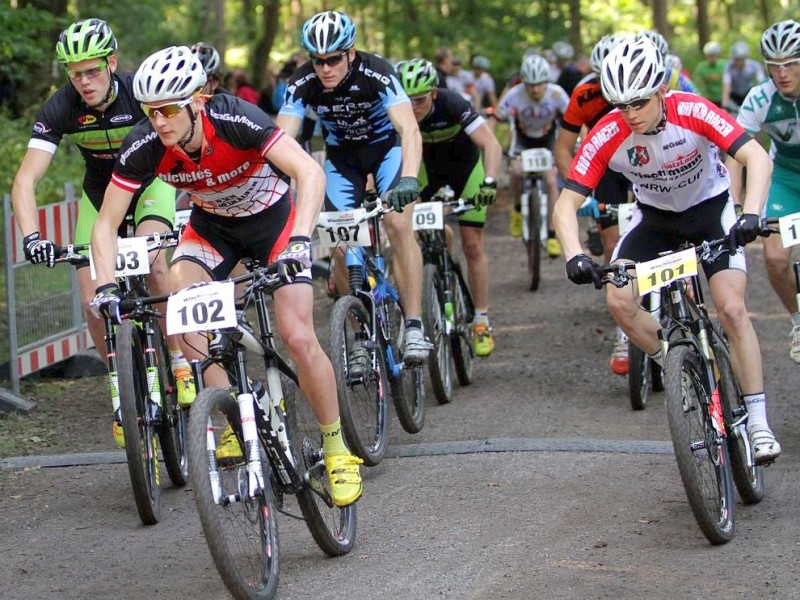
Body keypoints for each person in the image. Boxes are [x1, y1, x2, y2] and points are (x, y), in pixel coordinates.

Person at [89, 45, 363, 507]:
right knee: (182, 303)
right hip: (212, 230)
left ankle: (336, 448)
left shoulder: (237, 118)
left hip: (273, 225)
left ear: (198, 100)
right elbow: (105, 223)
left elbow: (309, 173)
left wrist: (299, 239)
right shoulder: (146, 144)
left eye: (170, 110)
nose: (159, 122)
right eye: (150, 112)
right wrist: (104, 286)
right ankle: (231, 408)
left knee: (296, 336)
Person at [553, 37, 781, 464]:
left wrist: (749, 212)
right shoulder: (609, 131)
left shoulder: (693, 110)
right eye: (621, 105)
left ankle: (758, 420)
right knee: (619, 299)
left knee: (731, 308)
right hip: (654, 220)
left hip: (710, 211)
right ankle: (676, 363)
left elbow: (756, 157)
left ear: (660, 89)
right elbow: (566, 203)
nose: (630, 114)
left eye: (638, 102)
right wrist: (573, 255)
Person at [10, 18, 187, 448]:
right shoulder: (62, 106)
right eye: (75, 74)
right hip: (98, 196)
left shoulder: (137, 92)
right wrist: (32, 236)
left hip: (149, 187)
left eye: (92, 70)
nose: (84, 82)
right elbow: (25, 181)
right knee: (92, 297)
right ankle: (119, 384)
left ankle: (180, 360)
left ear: (111, 62)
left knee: (154, 260)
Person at [275, 10, 429, 366]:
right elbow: (282, 140)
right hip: (343, 161)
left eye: (333, 60)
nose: (325, 69)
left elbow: (409, 130)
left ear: (351, 52)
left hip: (387, 152)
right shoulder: (302, 83)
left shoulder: (378, 71)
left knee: (399, 224)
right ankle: (360, 333)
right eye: (318, 61)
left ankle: (415, 324)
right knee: (342, 245)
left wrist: (408, 177)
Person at [395, 58, 502, 356]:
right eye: (407, 100)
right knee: (410, 235)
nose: (413, 107)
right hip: (425, 173)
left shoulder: (454, 104)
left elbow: (491, 145)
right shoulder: (397, 114)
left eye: (419, 99)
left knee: (472, 245)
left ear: (434, 93)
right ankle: (430, 283)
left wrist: (490, 182)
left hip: (465, 171)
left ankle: (481, 320)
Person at [554, 32, 632, 375]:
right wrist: (577, 189)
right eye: (603, 79)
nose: (610, 87)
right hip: (608, 167)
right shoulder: (584, 94)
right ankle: (625, 333)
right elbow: (562, 147)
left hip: (649, 161)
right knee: (614, 244)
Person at [727, 19, 800, 363]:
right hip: (785, 174)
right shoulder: (760, 98)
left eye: (790, 63)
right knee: (773, 257)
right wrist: (737, 206)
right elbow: (737, 152)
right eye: (775, 64)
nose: (782, 72)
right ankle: (799, 320)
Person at [497, 53, 568, 257]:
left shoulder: (556, 94)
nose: (535, 90)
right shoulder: (515, 94)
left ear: (546, 82)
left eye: (539, 85)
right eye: (530, 85)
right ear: (523, 83)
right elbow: (497, 117)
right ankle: (518, 210)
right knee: (516, 171)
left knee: (551, 180)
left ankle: (553, 234)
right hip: (523, 140)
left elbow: (574, 119)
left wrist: (583, 140)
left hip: (547, 140)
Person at [722, 41, 765, 111]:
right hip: (735, 95)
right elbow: (727, 85)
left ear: (745, 58)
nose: (737, 62)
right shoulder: (729, 66)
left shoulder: (754, 65)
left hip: (748, 94)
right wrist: (724, 104)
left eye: (740, 59)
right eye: (735, 59)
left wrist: (762, 100)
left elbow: (761, 83)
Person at [694, 41, 726, 106]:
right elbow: (698, 84)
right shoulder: (701, 67)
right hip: (709, 99)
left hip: (723, 99)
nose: (712, 58)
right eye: (710, 55)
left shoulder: (725, 65)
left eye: (714, 55)